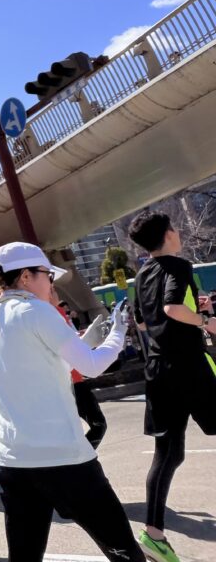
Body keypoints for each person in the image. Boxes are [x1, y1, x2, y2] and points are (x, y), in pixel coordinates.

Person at [0, 242, 144, 562]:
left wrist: (96, 337)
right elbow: (91, 366)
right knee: (124, 551)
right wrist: (119, 331)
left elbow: (52, 361)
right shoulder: (38, 311)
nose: (51, 284)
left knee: (25, 558)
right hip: (63, 458)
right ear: (26, 277)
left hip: (13, 461)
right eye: (47, 276)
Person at [129, 212, 216, 562]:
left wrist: (197, 308)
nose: (179, 232)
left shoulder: (141, 274)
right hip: (187, 368)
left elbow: (143, 320)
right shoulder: (178, 266)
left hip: (158, 370)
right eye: (176, 228)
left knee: (169, 454)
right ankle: (153, 535)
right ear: (167, 234)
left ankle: (154, 535)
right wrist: (206, 321)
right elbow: (172, 307)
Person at [54, 296, 109, 449]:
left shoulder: (49, 312)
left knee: (82, 429)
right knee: (98, 424)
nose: (54, 291)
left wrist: (82, 337)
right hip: (72, 381)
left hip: (69, 380)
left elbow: (67, 341)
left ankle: (81, 461)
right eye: (49, 279)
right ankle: (83, 460)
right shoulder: (51, 312)